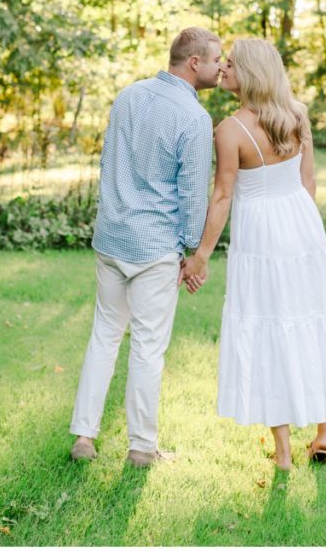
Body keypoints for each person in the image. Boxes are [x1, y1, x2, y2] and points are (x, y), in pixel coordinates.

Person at [180, 37, 326, 470]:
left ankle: (282, 452)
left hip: (261, 235)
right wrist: (302, 231)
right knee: (313, 318)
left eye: (231, 64)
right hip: (303, 228)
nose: (222, 68)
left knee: (270, 327)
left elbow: (223, 196)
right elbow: (309, 180)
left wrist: (202, 254)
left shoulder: (229, 129)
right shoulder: (296, 114)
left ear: (251, 73)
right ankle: (325, 430)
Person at [70, 27, 222, 467]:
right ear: (194, 62)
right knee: (148, 347)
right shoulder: (194, 119)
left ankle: (84, 436)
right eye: (216, 59)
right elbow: (193, 194)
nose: (220, 67)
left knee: (104, 336)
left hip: (112, 236)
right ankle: (141, 447)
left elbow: (107, 163)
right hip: (155, 246)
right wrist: (190, 252)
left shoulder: (128, 96)